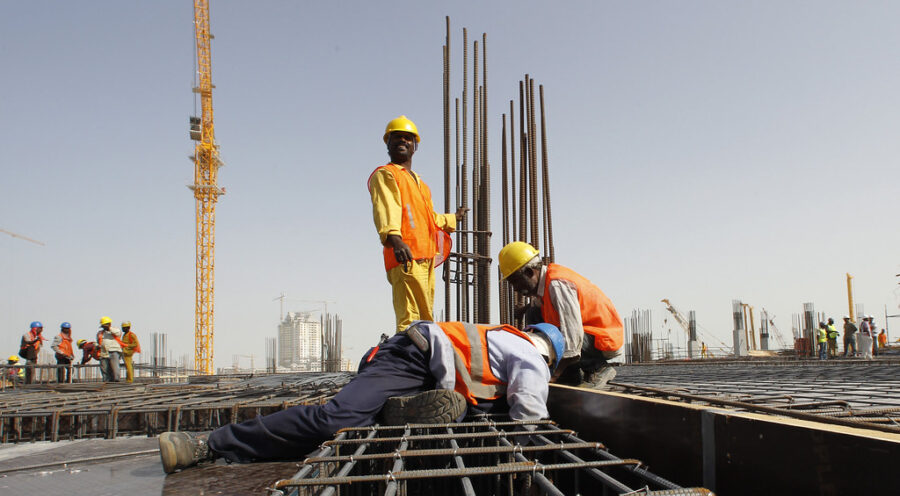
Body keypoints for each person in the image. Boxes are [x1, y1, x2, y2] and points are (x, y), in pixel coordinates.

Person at [158, 321, 563, 474]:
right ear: (551, 355)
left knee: (360, 434)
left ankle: (393, 415)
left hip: (428, 379)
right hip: (409, 359)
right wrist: (536, 456)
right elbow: (529, 408)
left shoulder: (503, 349)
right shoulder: (529, 353)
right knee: (337, 420)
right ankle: (210, 443)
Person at [368, 115, 467, 332]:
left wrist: (453, 219)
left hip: (426, 258)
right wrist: (395, 239)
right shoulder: (387, 174)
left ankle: (421, 363)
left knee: (425, 321)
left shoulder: (420, 184)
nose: (402, 141)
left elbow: (430, 219)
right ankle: (407, 363)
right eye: (397, 137)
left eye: (407, 138)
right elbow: (386, 208)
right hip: (406, 256)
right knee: (410, 322)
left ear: (415, 146)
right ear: (388, 143)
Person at [498, 241, 624, 387]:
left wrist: (554, 375)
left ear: (529, 272)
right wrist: (523, 310)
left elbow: (572, 335)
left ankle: (598, 368)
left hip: (602, 338)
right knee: (534, 315)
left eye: (516, 282)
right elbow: (539, 307)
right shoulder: (545, 284)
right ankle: (571, 375)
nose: (516, 288)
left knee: (559, 337)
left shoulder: (557, 284)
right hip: (588, 335)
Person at [97, 316, 124, 382]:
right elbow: (98, 341)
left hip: (113, 351)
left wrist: (109, 328)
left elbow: (117, 333)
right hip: (103, 352)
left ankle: (116, 380)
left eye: (105, 325)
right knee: (105, 368)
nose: (104, 327)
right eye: (103, 326)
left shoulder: (115, 330)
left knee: (115, 368)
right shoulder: (100, 333)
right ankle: (106, 381)